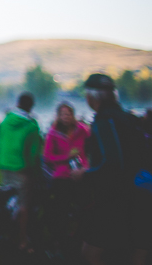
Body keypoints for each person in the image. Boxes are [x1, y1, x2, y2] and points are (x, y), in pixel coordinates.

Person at [73, 73, 150, 265]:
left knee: (91, 253)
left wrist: (85, 174)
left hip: (114, 198)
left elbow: (113, 164)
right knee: (137, 252)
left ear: (90, 98)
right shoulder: (128, 118)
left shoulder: (104, 121)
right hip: (140, 194)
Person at [0, 91, 41, 252]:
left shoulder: (6, 120)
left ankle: (5, 235)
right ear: (31, 106)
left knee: (7, 203)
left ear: (18, 103)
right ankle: (21, 240)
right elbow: (34, 153)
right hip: (23, 170)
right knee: (23, 205)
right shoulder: (32, 125)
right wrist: (34, 173)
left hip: (4, 167)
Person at [43, 101, 90, 257]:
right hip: (62, 176)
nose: (66, 117)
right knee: (61, 211)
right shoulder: (53, 133)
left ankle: (80, 240)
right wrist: (66, 157)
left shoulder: (82, 130)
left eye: (68, 113)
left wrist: (88, 164)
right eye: (63, 114)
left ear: (73, 114)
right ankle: (61, 242)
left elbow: (93, 146)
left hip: (81, 174)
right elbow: (48, 157)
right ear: (58, 116)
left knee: (84, 209)